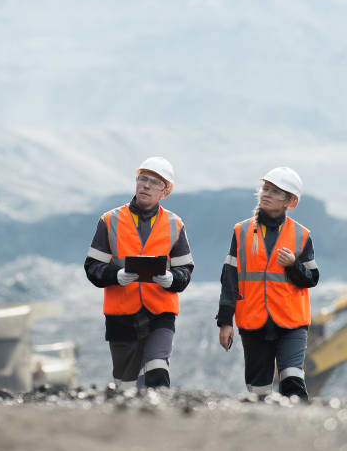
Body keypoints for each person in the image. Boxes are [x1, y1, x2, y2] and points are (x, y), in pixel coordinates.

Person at [84, 156, 194, 389]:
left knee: (157, 371)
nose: (146, 185)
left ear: (165, 191)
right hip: (121, 316)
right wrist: (115, 275)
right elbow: (92, 267)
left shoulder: (175, 224)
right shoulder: (109, 220)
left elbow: (185, 270)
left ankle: (160, 422)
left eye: (154, 182)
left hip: (160, 313)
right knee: (126, 386)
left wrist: (172, 279)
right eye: (142, 179)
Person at [216, 167, 319, 400]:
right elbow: (229, 279)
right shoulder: (241, 231)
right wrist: (225, 322)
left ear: (290, 201)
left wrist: (294, 265)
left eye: (274, 191)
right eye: (265, 188)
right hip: (253, 322)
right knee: (258, 391)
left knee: (293, 381)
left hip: (292, 322)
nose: (266, 194)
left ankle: (297, 432)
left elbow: (312, 278)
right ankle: (262, 434)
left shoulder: (302, 235)